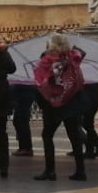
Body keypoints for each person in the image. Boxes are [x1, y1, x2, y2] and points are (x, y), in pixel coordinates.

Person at [31, 34, 86, 182]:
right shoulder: (72, 58)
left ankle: (50, 171)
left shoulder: (46, 61)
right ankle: (80, 170)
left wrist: (44, 102)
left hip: (52, 105)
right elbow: (81, 52)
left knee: (47, 135)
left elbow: (40, 82)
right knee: (74, 136)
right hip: (72, 102)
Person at [0, 32, 16, 180]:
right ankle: (4, 167)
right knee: (1, 132)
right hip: (1, 91)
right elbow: (12, 68)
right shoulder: (2, 52)